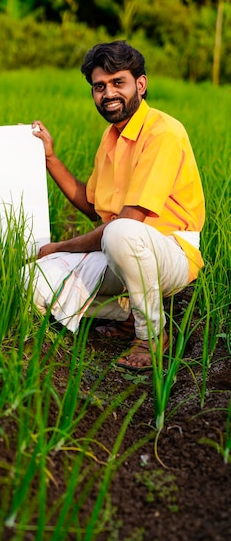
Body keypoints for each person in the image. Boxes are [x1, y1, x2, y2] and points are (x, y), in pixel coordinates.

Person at [29, 40, 205, 370]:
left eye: (117, 82)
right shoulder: (111, 137)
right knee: (29, 283)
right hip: (119, 251)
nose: (108, 93)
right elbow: (93, 205)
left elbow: (129, 222)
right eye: (99, 86)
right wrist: (50, 159)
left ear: (141, 84)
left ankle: (150, 335)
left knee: (121, 232)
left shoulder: (163, 132)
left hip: (170, 254)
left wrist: (60, 247)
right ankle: (126, 310)